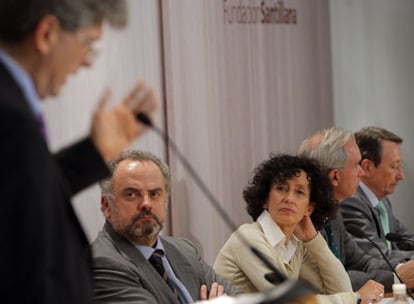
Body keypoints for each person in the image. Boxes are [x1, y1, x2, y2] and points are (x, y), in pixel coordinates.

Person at [0, 1, 158, 304]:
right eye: (88, 44)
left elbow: (20, 193)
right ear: (47, 34)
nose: (87, 62)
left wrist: (93, 154)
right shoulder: (9, 117)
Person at [93, 150, 239, 304]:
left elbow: (241, 299)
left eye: (155, 194)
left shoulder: (185, 249)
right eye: (131, 194)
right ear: (107, 205)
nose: (146, 204)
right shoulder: (101, 263)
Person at [214, 153, 360, 303]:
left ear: (309, 208)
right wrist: (353, 298)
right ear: (265, 199)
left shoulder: (294, 245)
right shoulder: (249, 238)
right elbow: (291, 301)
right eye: (281, 188)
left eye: (299, 192)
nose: (289, 198)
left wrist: (314, 240)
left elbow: (339, 290)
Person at [298, 127, 414, 297]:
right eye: (356, 165)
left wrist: (399, 272)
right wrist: (396, 278)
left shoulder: (332, 212)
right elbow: (329, 282)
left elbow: (363, 261)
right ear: (335, 177)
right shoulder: (302, 220)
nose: (361, 172)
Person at [341, 127, 414, 262]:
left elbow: (405, 239)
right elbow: (377, 255)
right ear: (367, 167)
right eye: (394, 166)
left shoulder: (382, 202)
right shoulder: (351, 202)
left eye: (400, 166)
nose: (401, 176)